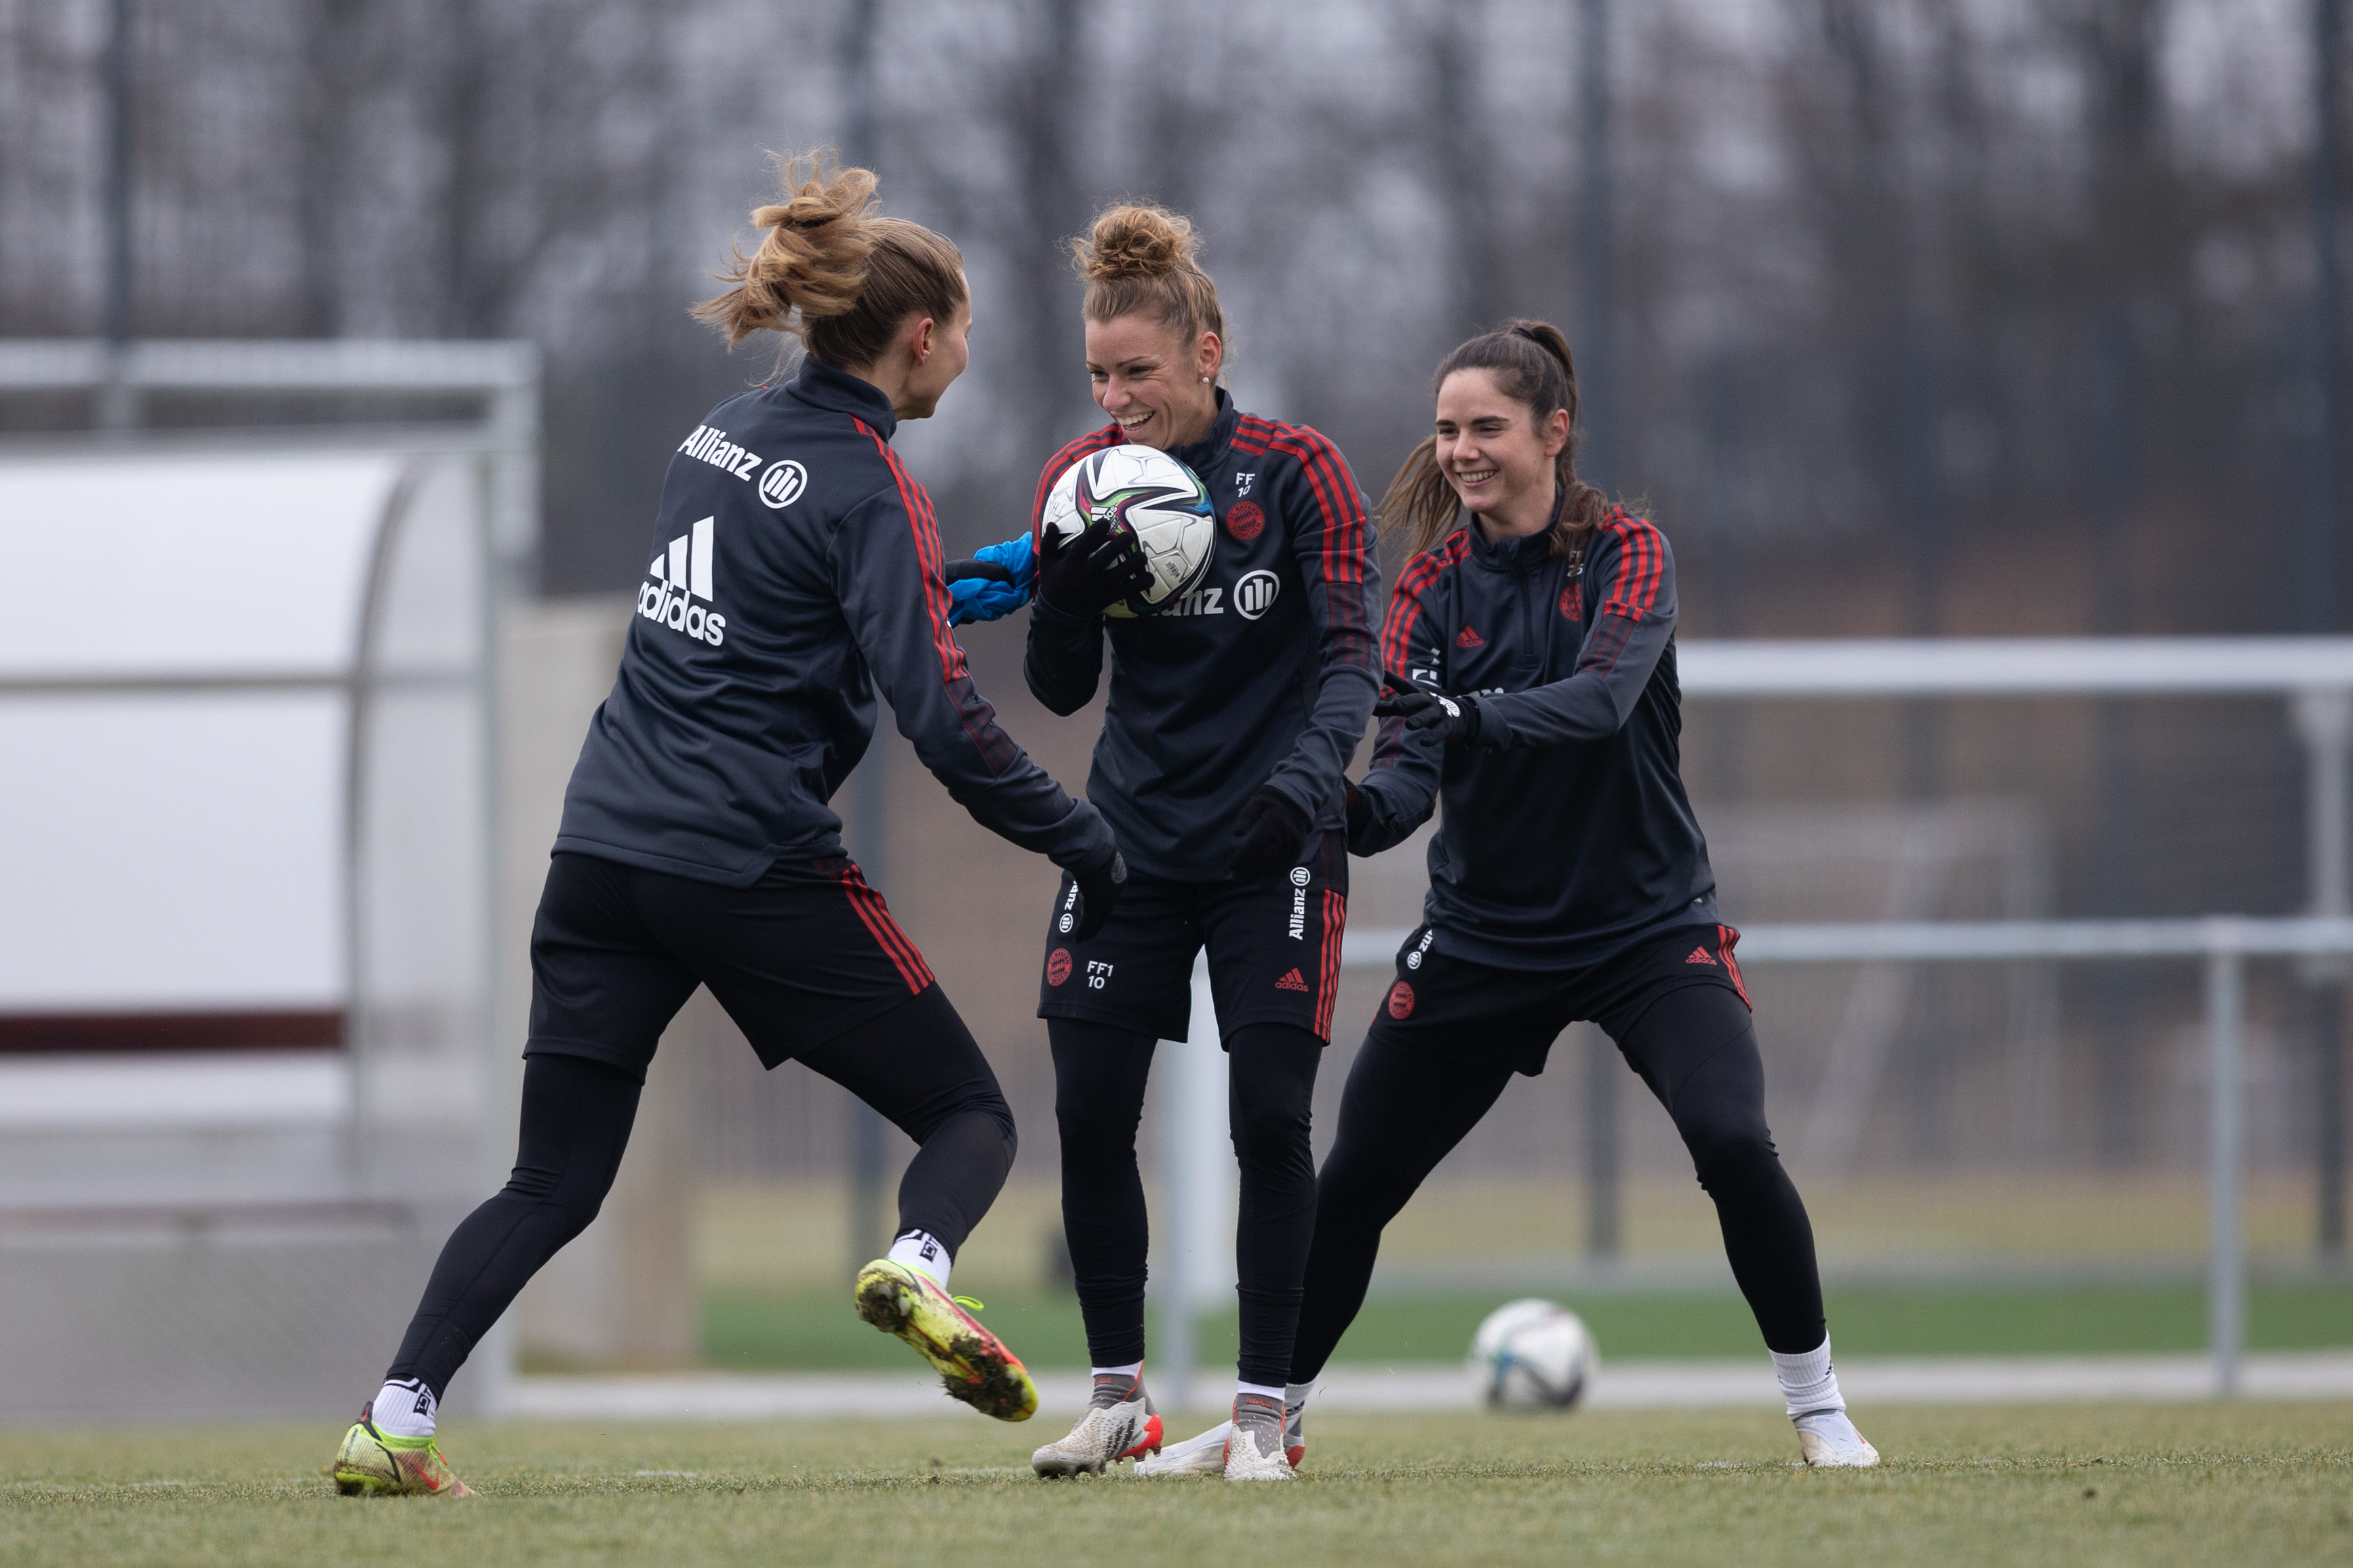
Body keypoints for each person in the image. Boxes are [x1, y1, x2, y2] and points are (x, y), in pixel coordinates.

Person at [328, 154, 1127, 1499]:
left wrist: (979, 580)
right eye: (968, 334)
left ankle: (393, 1418)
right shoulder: (874, 485)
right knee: (967, 1113)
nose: (966, 359)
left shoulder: (720, 432)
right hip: (742, 856)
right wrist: (1082, 837)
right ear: (921, 337)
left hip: (601, 852)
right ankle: (919, 1264)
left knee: (552, 1174)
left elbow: (797, 604)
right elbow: (941, 720)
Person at [1151, 320, 1878, 1476]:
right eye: (1445, 429)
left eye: (1485, 426)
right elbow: (1403, 774)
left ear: (1554, 430)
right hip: (1483, 942)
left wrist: (1466, 715)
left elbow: (1595, 704)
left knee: (1734, 1141)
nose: (1460, 450)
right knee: (1351, 1186)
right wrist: (1323, 814)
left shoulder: (1630, 553)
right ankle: (1269, 1421)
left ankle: (1820, 1410)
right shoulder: (1433, 585)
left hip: (1648, 930)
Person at [1000, 204, 1381, 1482]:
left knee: (1268, 1121)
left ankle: (1264, 1412)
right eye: (1099, 376)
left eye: (1139, 373)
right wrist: (1059, 589)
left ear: (1206, 352)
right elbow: (1058, 689)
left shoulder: (1298, 471)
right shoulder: (1081, 479)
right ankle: (1118, 1400)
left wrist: (1300, 791)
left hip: (1271, 839)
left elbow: (1348, 665)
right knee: (1087, 1113)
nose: (1116, 399)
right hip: (1127, 844)